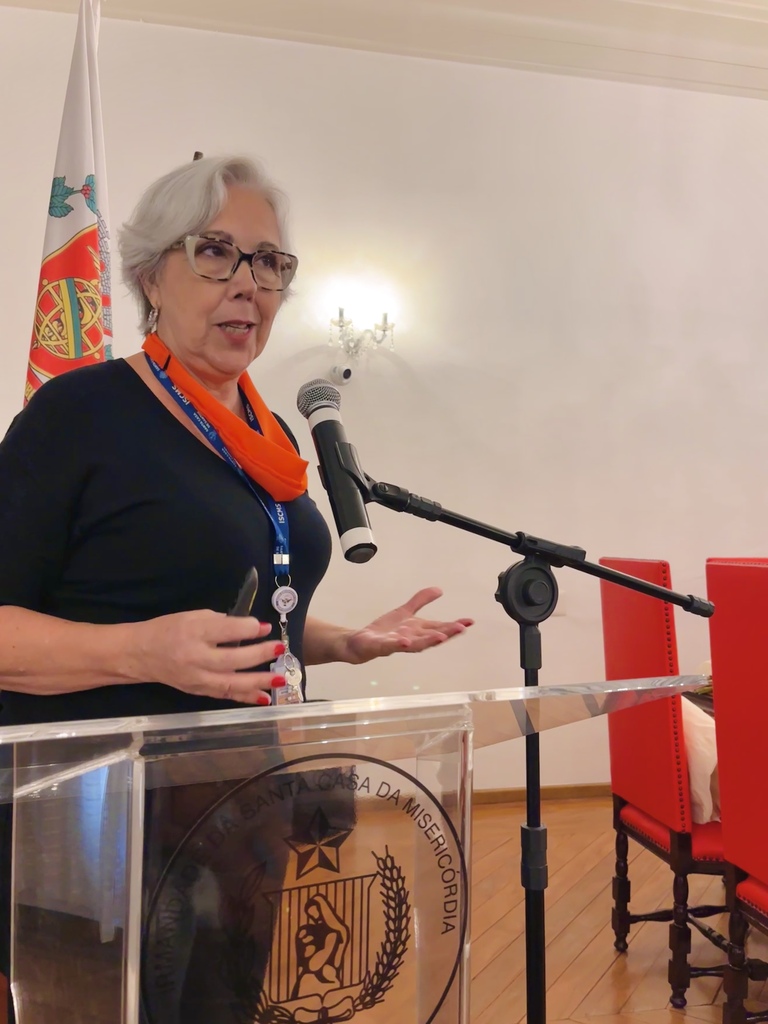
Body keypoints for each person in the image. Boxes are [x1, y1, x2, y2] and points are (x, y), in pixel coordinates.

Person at [0, 155, 473, 1020]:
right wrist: (138, 652)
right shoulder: (80, 414)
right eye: (216, 252)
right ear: (151, 275)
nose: (248, 283)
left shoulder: (270, 432)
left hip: (244, 806)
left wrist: (341, 640)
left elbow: (238, 607)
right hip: (97, 819)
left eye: (270, 262)